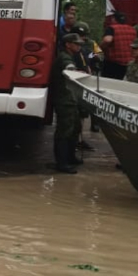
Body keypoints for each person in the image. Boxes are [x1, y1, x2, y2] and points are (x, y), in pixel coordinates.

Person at [53, 33, 83, 173]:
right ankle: (62, 162)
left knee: (75, 128)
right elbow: (69, 68)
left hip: (71, 98)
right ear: (68, 44)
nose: (79, 46)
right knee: (65, 130)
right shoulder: (65, 57)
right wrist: (79, 72)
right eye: (76, 43)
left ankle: (70, 157)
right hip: (65, 99)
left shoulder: (70, 55)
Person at [101, 12, 137, 80]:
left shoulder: (111, 28)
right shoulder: (132, 29)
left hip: (113, 63)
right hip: (129, 63)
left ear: (114, 19)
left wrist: (101, 48)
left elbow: (107, 40)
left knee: (108, 83)